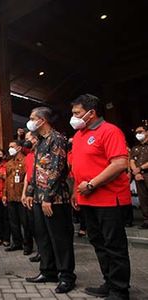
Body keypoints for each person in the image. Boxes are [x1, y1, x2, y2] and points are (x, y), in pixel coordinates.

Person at [69, 94, 131, 300]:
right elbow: (77, 167)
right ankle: (109, 282)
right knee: (98, 242)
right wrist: (75, 191)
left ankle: (120, 290)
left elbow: (120, 163)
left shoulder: (109, 131)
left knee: (114, 245)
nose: (73, 117)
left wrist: (93, 183)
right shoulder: (79, 135)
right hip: (87, 199)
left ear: (91, 113)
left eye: (77, 113)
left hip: (109, 199)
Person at [23, 107, 76, 294]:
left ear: (42, 120)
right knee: (43, 236)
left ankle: (66, 276)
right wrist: (30, 192)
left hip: (55, 199)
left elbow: (56, 170)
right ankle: (47, 271)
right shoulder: (40, 141)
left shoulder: (57, 139)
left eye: (32, 118)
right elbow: (36, 171)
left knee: (60, 238)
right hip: (38, 197)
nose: (29, 122)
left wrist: (48, 197)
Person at [3, 140, 33, 254]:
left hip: (22, 196)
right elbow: (6, 180)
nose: (10, 148)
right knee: (13, 222)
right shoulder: (9, 163)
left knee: (25, 222)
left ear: (19, 148)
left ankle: (27, 245)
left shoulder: (26, 161)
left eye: (12, 146)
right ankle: (17, 243)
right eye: (9, 146)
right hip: (11, 196)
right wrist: (4, 195)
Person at [22, 131, 40, 263]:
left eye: (28, 138)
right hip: (30, 193)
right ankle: (40, 251)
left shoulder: (42, 154)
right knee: (33, 224)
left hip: (40, 192)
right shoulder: (28, 156)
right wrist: (24, 193)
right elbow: (27, 178)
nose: (26, 141)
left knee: (41, 225)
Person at [131, 124, 148, 229]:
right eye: (136, 132)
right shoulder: (135, 148)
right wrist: (136, 172)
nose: (138, 134)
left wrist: (140, 168)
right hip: (138, 176)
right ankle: (146, 219)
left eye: (140, 131)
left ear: (146, 132)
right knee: (143, 198)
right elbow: (131, 161)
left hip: (146, 172)